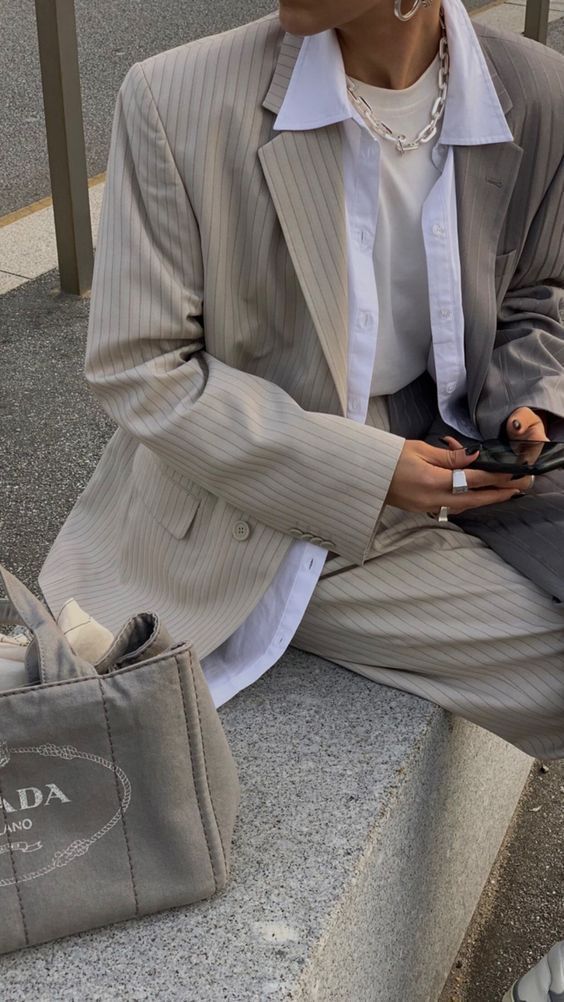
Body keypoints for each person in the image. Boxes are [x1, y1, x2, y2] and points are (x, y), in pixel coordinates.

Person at [36, 0, 564, 996]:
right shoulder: (178, 97)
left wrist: (531, 403)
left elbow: (544, 289)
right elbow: (140, 368)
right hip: (275, 493)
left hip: (474, 447)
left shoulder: (530, 91)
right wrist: (366, 472)